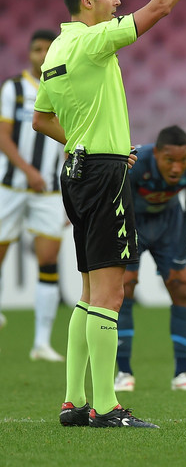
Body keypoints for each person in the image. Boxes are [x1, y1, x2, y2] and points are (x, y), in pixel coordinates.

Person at [32, 0, 186, 429]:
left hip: (77, 168)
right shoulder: (93, 42)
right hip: (102, 173)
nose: (119, 0)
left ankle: (74, 403)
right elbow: (160, 8)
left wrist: (87, 143)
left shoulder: (56, 53)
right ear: (87, 2)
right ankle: (109, 407)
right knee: (111, 295)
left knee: (91, 293)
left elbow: (41, 118)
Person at [114, 125, 186, 393]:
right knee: (124, 288)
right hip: (131, 224)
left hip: (170, 223)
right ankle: (124, 373)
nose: (177, 168)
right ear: (156, 154)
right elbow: (120, 209)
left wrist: (179, 261)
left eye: (183, 160)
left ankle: (182, 374)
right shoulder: (133, 163)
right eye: (170, 160)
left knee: (182, 287)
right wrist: (129, 261)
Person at [0, 29, 65, 362]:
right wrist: (28, 170)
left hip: (50, 191)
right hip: (11, 185)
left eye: (48, 49)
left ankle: (41, 342)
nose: (42, 55)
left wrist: (71, 194)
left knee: (49, 262)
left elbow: (71, 141)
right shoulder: (13, 88)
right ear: (29, 53)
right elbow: (3, 137)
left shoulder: (64, 87)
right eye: (37, 49)